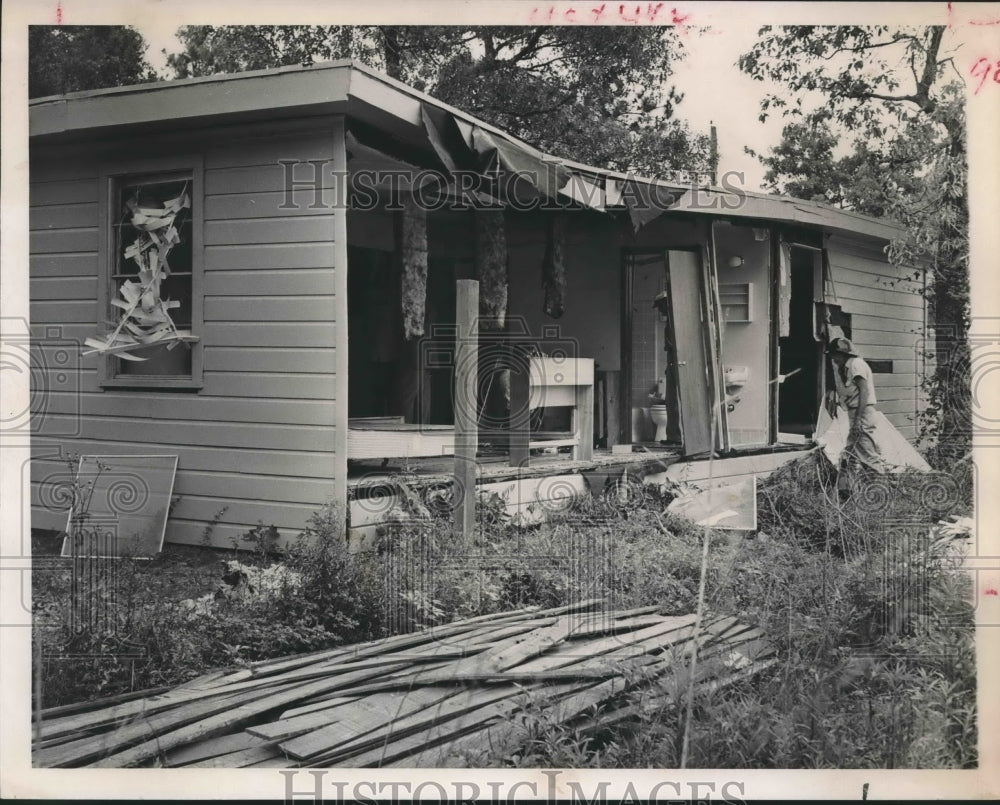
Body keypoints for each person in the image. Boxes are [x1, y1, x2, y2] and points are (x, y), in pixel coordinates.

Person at [825, 336, 884, 475]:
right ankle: (849, 487)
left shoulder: (856, 364)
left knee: (867, 451)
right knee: (851, 452)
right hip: (856, 411)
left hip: (862, 412)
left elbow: (864, 391)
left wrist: (858, 419)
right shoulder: (846, 367)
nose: (833, 359)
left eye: (835, 355)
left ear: (843, 353)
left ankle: (878, 485)